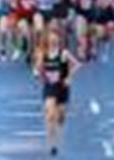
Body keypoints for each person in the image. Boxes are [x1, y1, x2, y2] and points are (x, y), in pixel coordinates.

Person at [34, 29, 81, 157]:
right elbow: (37, 68)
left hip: (62, 87)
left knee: (60, 116)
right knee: (49, 115)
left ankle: (58, 130)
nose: (53, 40)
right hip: (49, 86)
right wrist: (37, 73)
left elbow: (77, 64)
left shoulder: (63, 53)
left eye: (56, 38)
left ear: (59, 40)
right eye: (51, 38)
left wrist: (69, 77)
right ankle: (52, 144)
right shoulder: (42, 53)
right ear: (47, 39)